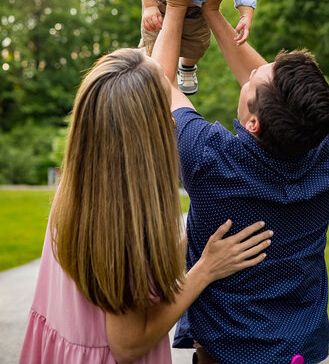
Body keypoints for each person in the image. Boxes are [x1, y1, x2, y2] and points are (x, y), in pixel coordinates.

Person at [19, 47, 273, 364]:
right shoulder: (122, 224)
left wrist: (194, 241)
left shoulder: (81, 184)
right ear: (148, 130)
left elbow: (139, 278)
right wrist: (206, 269)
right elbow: (127, 345)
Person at [151, 0, 329, 364]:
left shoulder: (211, 159)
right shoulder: (325, 151)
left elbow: (158, 83)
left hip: (228, 356)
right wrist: (212, 11)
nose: (254, 69)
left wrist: (176, 6)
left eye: (257, 78)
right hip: (306, 352)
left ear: (254, 123)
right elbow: (277, 100)